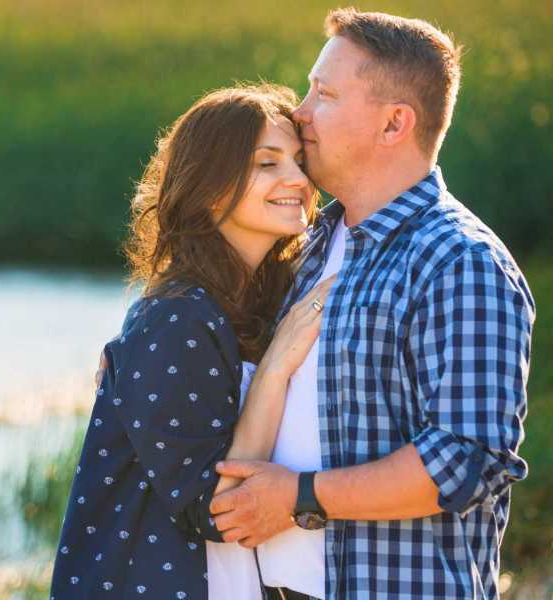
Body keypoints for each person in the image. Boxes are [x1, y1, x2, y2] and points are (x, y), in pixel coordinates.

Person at [209, 9, 536, 600]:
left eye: (325, 94)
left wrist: (298, 496)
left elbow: (464, 460)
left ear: (394, 125)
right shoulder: (306, 244)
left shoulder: (461, 263)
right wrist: (140, 354)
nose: (300, 111)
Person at [49, 84, 333, 599]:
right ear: (210, 186)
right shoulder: (177, 317)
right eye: (267, 164)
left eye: (298, 160)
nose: (297, 179)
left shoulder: (260, 299)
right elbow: (221, 512)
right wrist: (275, 370)